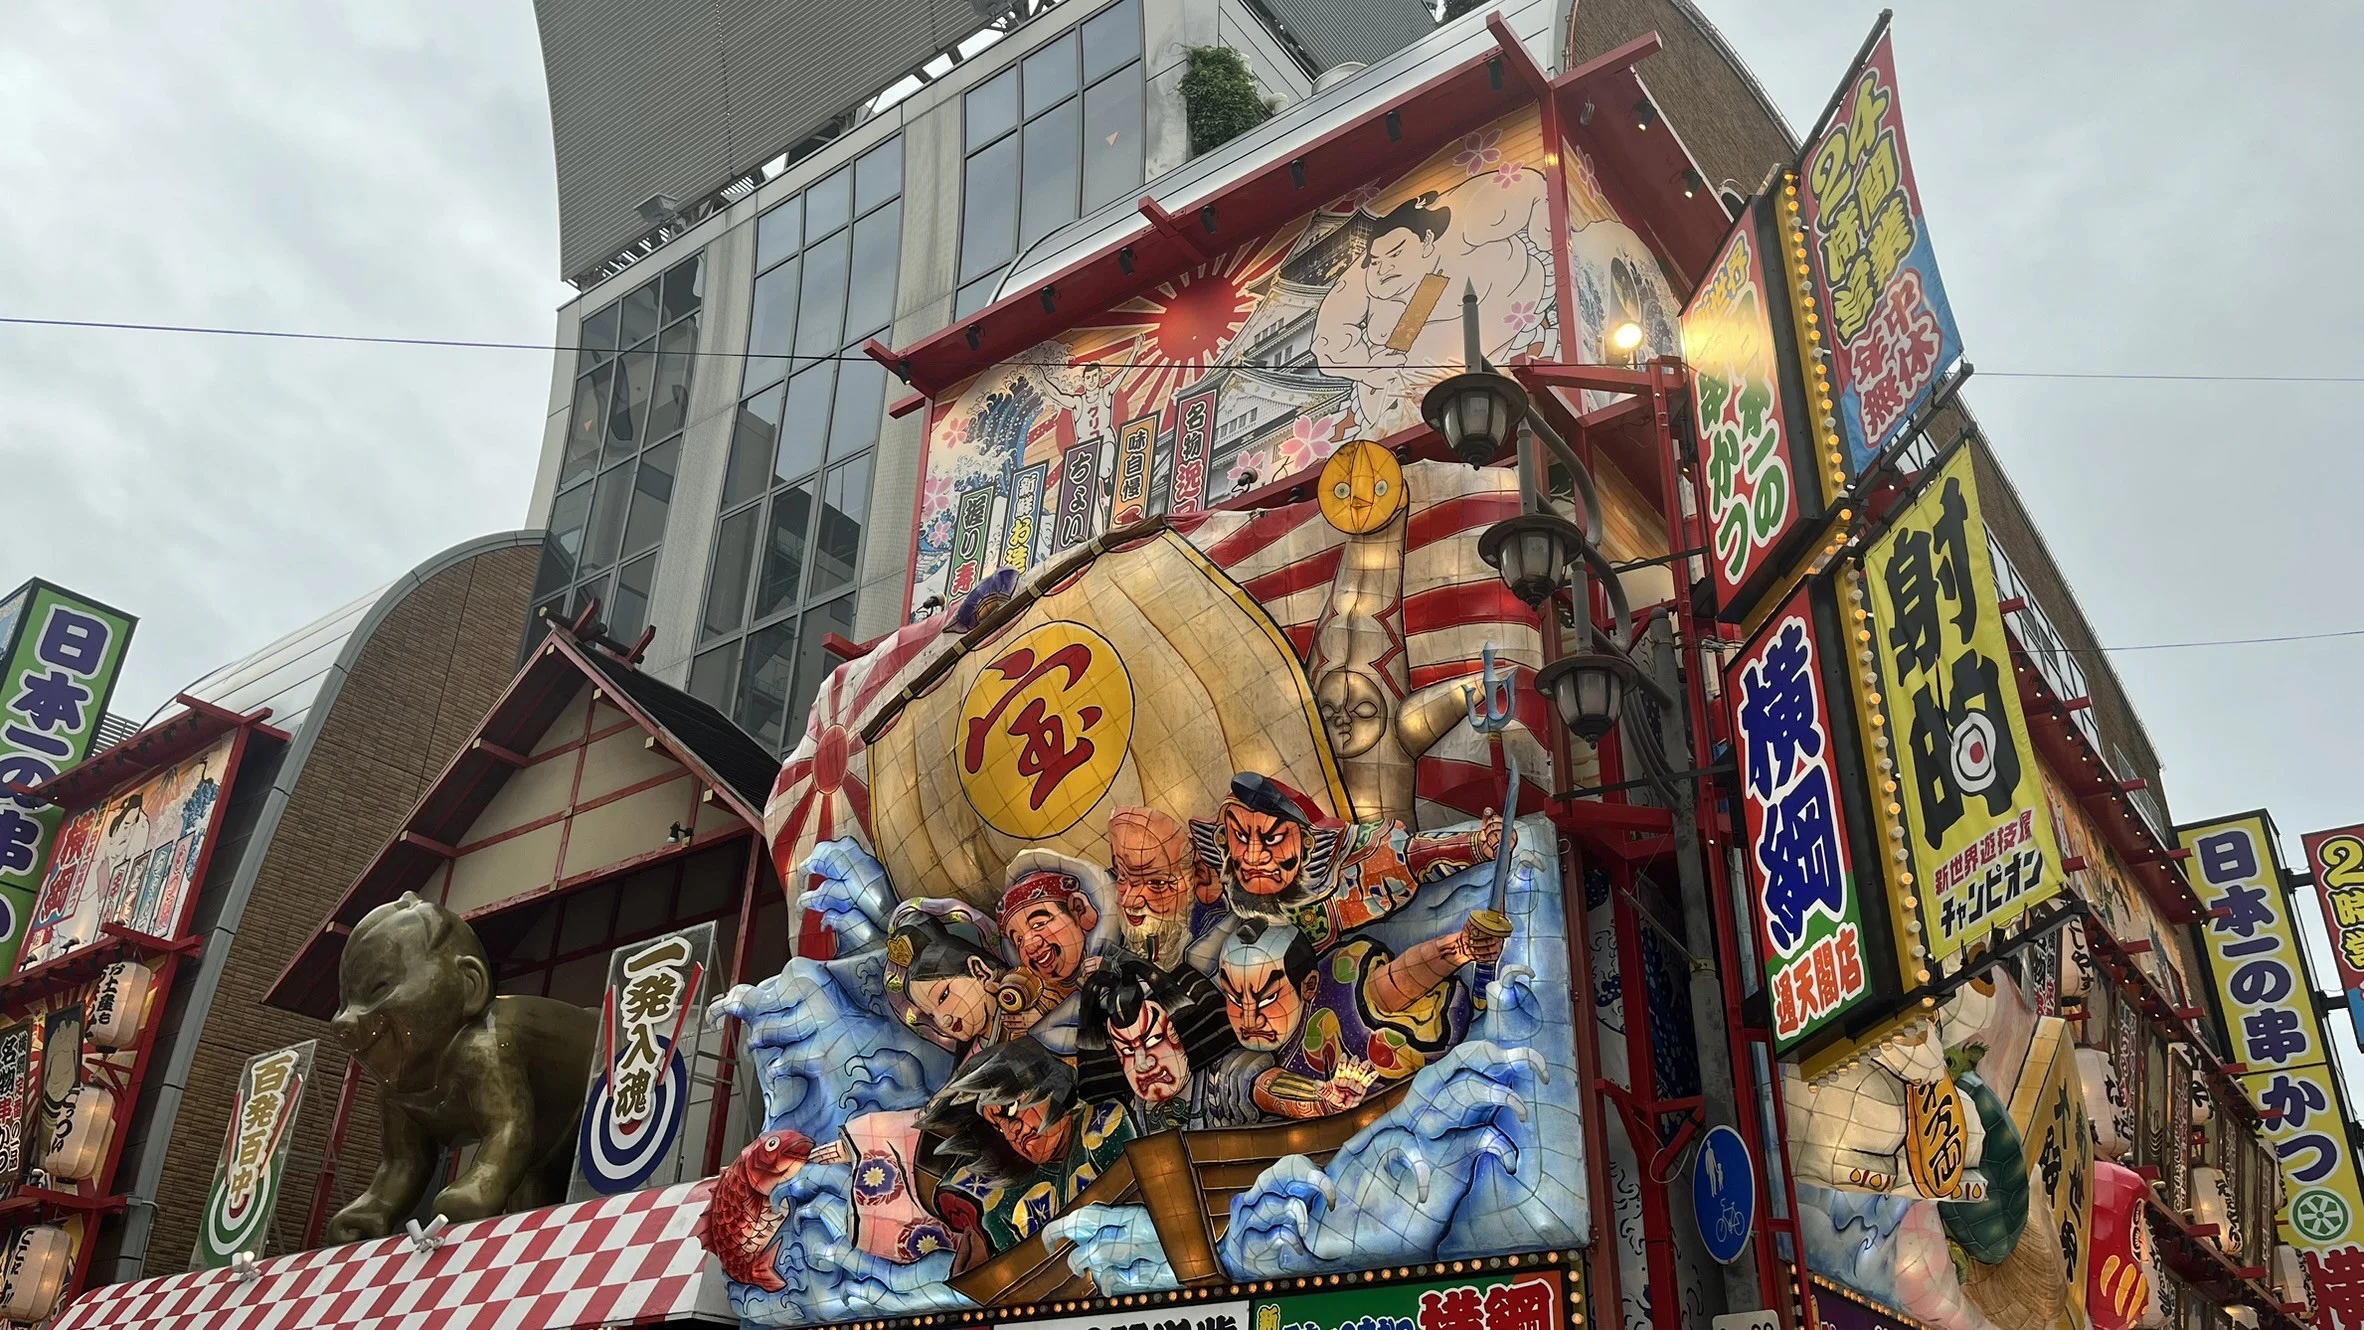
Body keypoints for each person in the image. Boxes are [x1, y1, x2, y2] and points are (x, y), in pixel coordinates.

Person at [1309, 168, 1553, 434]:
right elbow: (1327, 336)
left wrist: (1544, 229)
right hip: (1403, 397)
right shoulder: (1361, 278)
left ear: (1426, 240)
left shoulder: (1464, 220)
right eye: (1376, 261)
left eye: (1396, 254)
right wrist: (1368, 369)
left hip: (1502, 339)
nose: (1384, 268)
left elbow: (1525, 188)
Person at [1214, 916, 1506, 1120]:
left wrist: (1460, 949)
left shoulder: (1338, 987)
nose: (1250, 1019)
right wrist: (1324, 1097)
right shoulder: (1234, 1059)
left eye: (1267, 999)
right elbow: (1263, 1084)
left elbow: (1394, 983)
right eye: (1234, 998)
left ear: (1308, 985)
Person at [1191, 771, 1499, 950]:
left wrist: (1476, 845)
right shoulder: (1228, 890)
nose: (1253, 856)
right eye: (1239, 836)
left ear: (1308, 842)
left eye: (1273, 838)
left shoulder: (1346, 874)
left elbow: (1411, 855)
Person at [918, 1037, 1134, 1260]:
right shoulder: (1003, 1208)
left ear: (1050, 1082)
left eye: (1010, 1110)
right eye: (999, 1128)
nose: (1011, 1133)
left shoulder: (1105, 1122)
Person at [1075, 957, 1258, 1134]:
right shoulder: (1122, 1112)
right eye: (1128, 1050)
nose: (1142, 1063)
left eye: (1154, 1040)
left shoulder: (1231, 1077)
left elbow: (1255, 1083)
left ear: (1176, 1033)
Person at [881, 901, 1051, 1059]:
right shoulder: (972, 1062)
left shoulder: (1028, 994)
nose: (943, 1021)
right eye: (931, 1015)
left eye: (944, 996)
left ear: (980, 972)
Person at [1106, 806, 1227, 974]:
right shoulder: (1112, 935)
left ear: (1200, 875)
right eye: (1122, 876)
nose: (1129, 901)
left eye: (1156, 883)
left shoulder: (1217, 945)